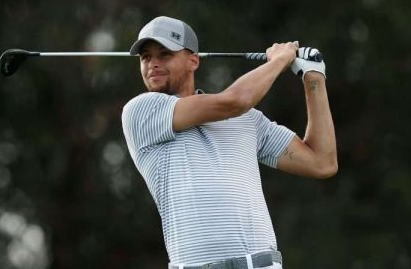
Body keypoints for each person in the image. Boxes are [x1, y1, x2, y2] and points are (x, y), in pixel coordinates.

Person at [121, 16, 337, 269]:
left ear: (193, 60)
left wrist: (313, 77)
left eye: (165, 54)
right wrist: (279, 60)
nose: (153, 64)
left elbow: (322, 162)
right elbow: (234, 101)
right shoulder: (141, 111)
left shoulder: (247, 120)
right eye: (146, 57)